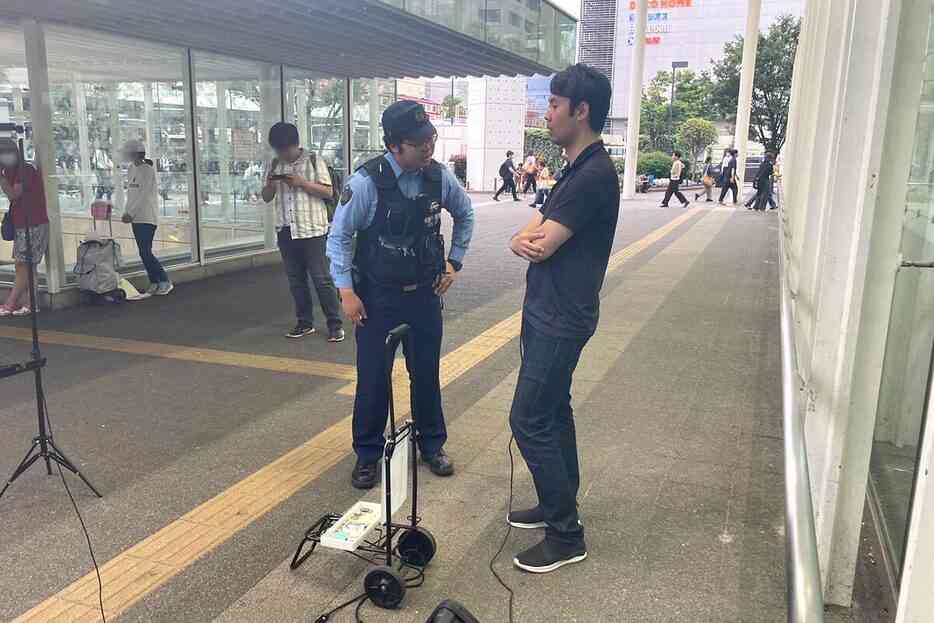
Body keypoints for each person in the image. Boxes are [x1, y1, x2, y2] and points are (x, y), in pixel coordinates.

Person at [327, 101, 475, 490]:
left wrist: (454, 262)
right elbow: (339, 238)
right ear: (394, 145)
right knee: (373, 379)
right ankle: (368, 454)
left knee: (425, 373)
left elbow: (466, 213)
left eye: (431, 140)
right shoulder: (364, 184)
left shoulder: (439, 178)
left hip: (424, 296)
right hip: (377, 299)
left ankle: (432, 445)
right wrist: (346, 291)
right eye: (419, 143)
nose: (428, 149)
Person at [506, 64, 618, 573]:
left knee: (528, 418)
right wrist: (518, 239)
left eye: (554, 105)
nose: (546, 113)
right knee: (553, 410)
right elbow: (529, 230)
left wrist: (524, 241)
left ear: (581, 110)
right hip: (550, 311)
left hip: (560, 317)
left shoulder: (592, 173)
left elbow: (542, 243)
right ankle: (559, 506)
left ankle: (566, 534)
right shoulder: (578, 166)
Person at [262, 122, 344, 342]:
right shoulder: (274, 164)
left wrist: (301, 183)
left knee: (321, 278)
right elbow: (266, 197)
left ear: (295, 144)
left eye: (285, 149)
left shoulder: (314, 160)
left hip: (312, 230)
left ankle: (335, 323)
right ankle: (304, 322)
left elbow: (328, 192)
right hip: (286, 230)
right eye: (278, 150)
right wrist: (270, 185)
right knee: (295, 280)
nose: (282, 154)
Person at [0, 138, 48, 317]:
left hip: (33, 223)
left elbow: (13, 194)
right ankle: (30, 303)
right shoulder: (9, 171)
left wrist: (1, 178)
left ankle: (11, 302)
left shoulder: (25, 170)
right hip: (23, 223)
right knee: (28, 266)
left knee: (23, 264)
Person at [119, 139, 174, 296]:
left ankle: (164, 281)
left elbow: (142, 195)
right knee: (143, 252)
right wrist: (126, 212)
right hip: (135, 218)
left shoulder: (147, 170)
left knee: (145, 251)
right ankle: (154, 282)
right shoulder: (131, 169)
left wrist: (131, 213)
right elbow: (131, 194)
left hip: (147, 217)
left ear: (135, 153)